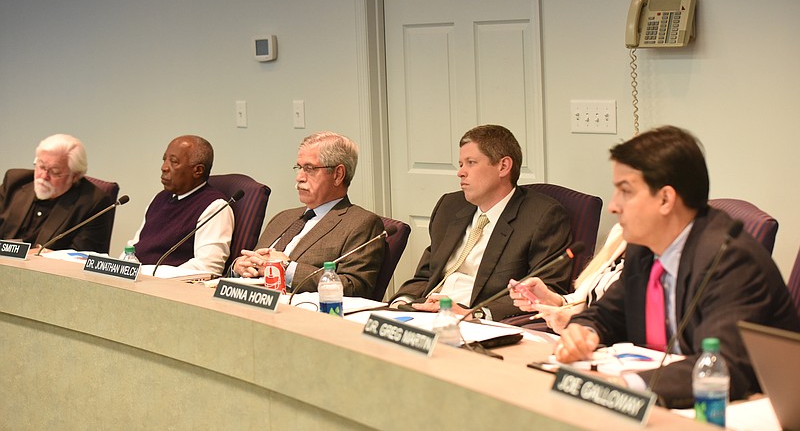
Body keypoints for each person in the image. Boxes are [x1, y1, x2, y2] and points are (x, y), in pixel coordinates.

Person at [556, 125, 800, 408]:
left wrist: (627, 388)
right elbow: (608, 313)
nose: (613, 206)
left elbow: (721, 364)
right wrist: (584, 331)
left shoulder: (730, 258)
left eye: (625, 191)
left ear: (665, 199)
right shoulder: (645, 249)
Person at [389, 124, 573, 321]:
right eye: (461, 164)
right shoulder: (449, 206)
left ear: (503, 166)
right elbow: (427, 274)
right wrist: (402, 301)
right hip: (428, 313)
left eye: (471, 163)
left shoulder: (542, 216)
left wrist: (474, 314)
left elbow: (545, 290)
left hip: (476, 320)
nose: (460, 173)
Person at [232, 131, 384, 298]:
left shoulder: (360, 223)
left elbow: (354, 287)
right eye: (299, 167)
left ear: (338, 174)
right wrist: (239, 267)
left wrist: (286, 268)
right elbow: (255, 262)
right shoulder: (282, 218)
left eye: (309, 169)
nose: (299, 177)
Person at [129, 135, 233, 276]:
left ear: (198, 170)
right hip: (138, 281)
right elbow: (135, 246)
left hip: (167, 289)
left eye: (174, 162)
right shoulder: (159, 198)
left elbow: (207, 268)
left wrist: (146, 272)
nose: (164, 167)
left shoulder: (215, 207)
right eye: (164, 159)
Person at [0, 133, 114, 253]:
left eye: (54, 172)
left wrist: (34, 254)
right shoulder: (14, 181)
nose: (43, 176)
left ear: (75, 176)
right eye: (41, 166)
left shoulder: (93, 203)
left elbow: (80, 257)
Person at [509, 223, 626, 333]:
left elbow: (632, 328)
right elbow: (587, 301)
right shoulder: (620, 232)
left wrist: (576, 323)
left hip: (603, 346)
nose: (612, 207)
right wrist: (551, 299)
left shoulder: (641, 256)